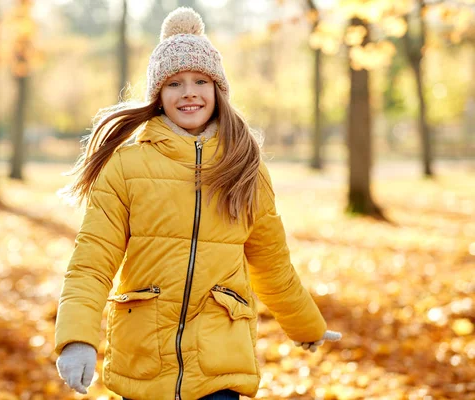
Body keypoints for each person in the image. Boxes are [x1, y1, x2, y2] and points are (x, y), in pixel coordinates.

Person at [54, 7, 341, 400]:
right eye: (174, 83)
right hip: (144, 359)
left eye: (200, 81)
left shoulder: (246, 169)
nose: (189, 92)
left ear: (218, 90)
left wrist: (306, 324)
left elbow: (271, 262)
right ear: (158, 96)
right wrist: (76, 338)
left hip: (219, 361)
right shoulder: (126, 167)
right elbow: (92, 261)